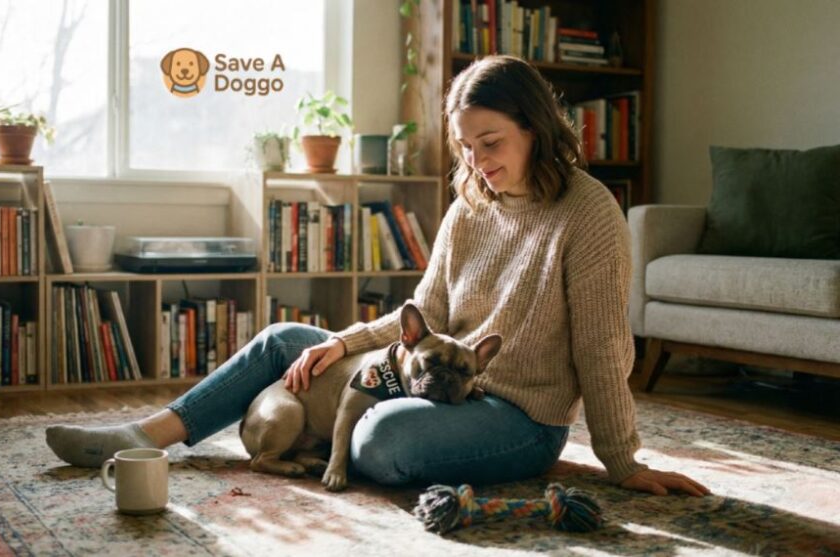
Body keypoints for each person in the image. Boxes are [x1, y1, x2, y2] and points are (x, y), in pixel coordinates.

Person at [46, 55, 711, 497]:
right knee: (286, 342)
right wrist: (341, 343)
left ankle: (319, 432)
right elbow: (423, 312)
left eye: (492, 143)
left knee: (379, 435)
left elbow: (602, 347)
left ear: (535, 128)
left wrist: (624, 463)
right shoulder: (470, 206)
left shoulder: (589, 212)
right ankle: (147, 436)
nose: (478, 162)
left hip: (519, 416)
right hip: (435, 381)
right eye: (466, 147)